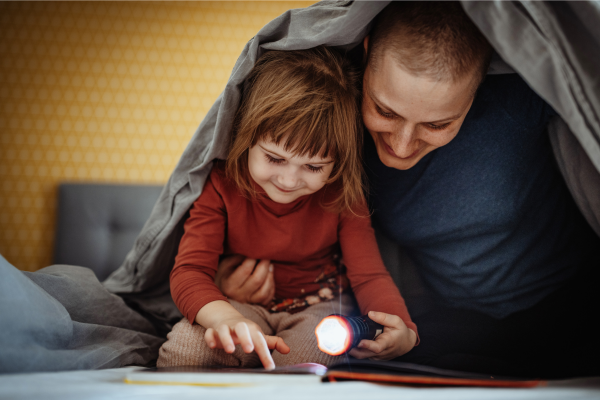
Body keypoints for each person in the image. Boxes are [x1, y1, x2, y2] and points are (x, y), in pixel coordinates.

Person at [216, 2, 600, 378]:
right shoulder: (335, 137)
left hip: (572, 302)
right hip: (449, 317)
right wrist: (233, 280)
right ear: (366, 53)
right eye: (385, 112)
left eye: (437, 125)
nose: (400, 146)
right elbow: (290, 219)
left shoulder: (520, 98)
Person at [156, 46, 418, 371]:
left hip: (319, 310)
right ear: (246, 137)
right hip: (239, 306)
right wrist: (228, 318)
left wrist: (403, 329)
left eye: (313, 167)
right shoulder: (221, 185)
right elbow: (190, 271)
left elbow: (369, 277)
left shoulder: (343, 197)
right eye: (275, 158)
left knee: (300, 367)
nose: (289, 180)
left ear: (337, 165)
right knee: (184, 352)